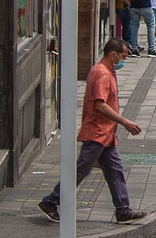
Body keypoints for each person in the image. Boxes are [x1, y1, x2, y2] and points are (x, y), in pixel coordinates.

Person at [37, 39, 147, 224]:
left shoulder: (105, 71)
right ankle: (50, 202)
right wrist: (125, 122)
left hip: (106, 134)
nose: (123, 61)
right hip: (97, 133)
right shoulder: (102, 74)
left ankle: (123, 210)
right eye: (123, 57)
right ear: (113, 55)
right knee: (81, 170)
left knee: (115, 170)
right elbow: (100, 104)